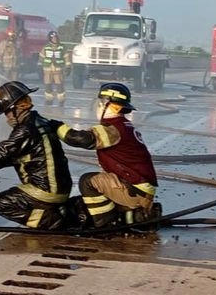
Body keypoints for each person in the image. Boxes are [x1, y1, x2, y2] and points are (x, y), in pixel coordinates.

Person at [0, 81, 73, 229]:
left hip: (45, 191)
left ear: (16, 108)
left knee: (0, 203)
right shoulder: (38, 121)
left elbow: (3, 152)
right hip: (58, 188)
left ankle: (50, 220)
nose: (7, 118)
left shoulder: (25, 130)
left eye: (7, 112)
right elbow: (10, 157)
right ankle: (55, 212)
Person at [56, 82, 160, 229]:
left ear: (114, 107)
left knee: (87, 182)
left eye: (101, 103)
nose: (98, 107)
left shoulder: (113, 128)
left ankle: (106, 224)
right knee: (83, 204)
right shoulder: (123, 125)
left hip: (134, 190)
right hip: (138, 188)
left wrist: (56, 128)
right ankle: (132, 215)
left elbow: (82, 139)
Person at [38, 31, 69, 105]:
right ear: (50, 39)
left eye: (56, 38)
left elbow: (66, 57)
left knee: (60, 86)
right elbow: (41, 57)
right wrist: (39, 66)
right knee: (47, 86)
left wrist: (68, 66)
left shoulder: (62, 47)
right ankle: (49, 99)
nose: (55, 39)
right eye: (53, 38)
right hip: (47, 70)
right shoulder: (46, 47)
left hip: (58, 69)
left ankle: (61, 100)